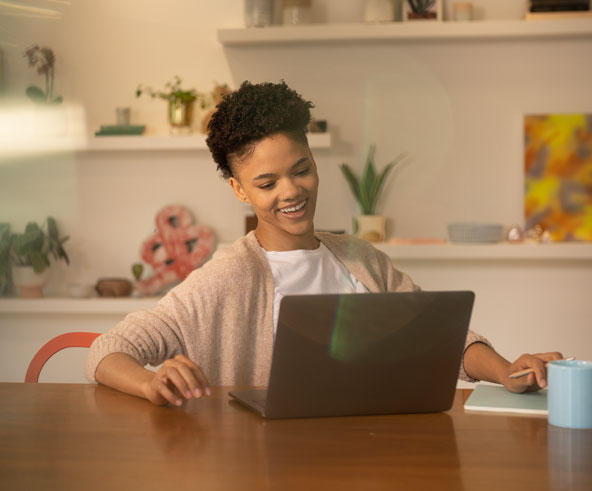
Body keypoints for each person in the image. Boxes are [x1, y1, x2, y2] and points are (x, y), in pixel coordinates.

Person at [86, 80, 563, 407]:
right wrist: (151, 383)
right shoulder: (228, 275)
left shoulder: (360, 257)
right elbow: (108, 350)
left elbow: (442, 336)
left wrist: (505, 371)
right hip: (269, 463)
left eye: (301, 170)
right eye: (267, 182)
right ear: (239, 190)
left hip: (374, 452)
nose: (291, 192)